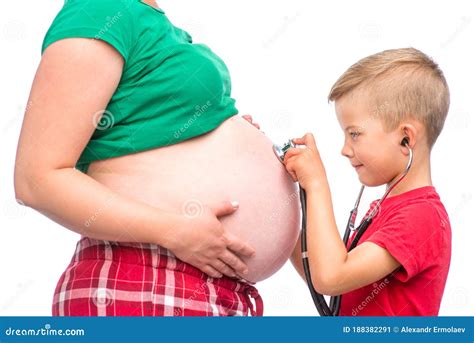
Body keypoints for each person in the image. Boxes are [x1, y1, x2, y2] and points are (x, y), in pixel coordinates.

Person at [14, 0, 301, 316]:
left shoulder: (154, 23)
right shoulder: (103, 9)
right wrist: (174, 230)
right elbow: (36, 180)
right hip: (142, 283)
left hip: (202, 285)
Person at [285, 48, 452, 316]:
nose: (345, 149)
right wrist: (285, 197)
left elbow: (332, 276)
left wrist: (317, 184)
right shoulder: (384, 209)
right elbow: (330, 280)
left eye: (354, 134)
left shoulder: (422, 217)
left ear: (405, 139)